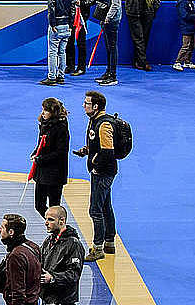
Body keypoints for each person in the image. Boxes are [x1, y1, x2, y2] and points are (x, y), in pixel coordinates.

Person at [74, 90, 116, 261]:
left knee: (95, 210)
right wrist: (87, 151)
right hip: (102, 171)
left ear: (96, 106)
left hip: (102, 172)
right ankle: (109, 242)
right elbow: (98, 145)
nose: (84, 106)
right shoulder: (95, 121)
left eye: (87, 103)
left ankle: (98, 248)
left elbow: (107, 151)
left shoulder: (104, 124)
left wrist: (96, 164)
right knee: (106, 206)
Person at [0, 213, 42, 305]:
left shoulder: (16, 256)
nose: (0, 230)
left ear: (11, 232)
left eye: (2, 227)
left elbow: (17, 292)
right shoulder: (34, 246)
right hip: (33, 299)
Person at [38, 206, 85, 305]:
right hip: (48, 297)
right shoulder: (48, 241)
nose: (46, 223)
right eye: (46, 219)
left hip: (63, 299)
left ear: (62, 221)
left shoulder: (74, 244)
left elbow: (74, 274)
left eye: (50, 219)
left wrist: (52, 278)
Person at [32, 98, 70, 218]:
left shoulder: (61, 127)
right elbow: (40, 143)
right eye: (43, 110)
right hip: (42, 171)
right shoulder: (44, 124)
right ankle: (53, 225)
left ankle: (58, 229)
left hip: (55, 173)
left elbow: (61, 152)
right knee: (39, 205)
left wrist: (41, 159)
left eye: (46, 110)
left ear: (53, 112)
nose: (43, 113)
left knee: (54, 206)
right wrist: (35, 153)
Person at [94, 0, 123, 86]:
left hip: (111, 19)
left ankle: (113, 75)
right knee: (108, 47)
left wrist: (108, 18)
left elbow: (116, 3)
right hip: (105, 18)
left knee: (112, 47)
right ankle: (108, 71)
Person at [43, 0, 75, 85]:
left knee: (52, 51)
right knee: (62, 52)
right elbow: (73, 9)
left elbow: (51, 9)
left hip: (56, 25)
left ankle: (52, 77)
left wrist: (53, 24)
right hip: (67, 26)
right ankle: (61, 76)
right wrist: (71, 25)